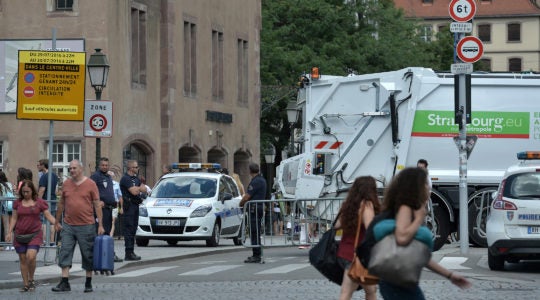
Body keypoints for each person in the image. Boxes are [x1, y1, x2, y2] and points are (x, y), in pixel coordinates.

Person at [377, 167, 471, 299]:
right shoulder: (406, 208)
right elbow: (401, 238)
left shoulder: (412, 208)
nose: (429, 187)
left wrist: (449, 275)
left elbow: (420, 255)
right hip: (397, 282)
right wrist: (419, 219)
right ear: (415, 187)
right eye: (426, 183)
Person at [52, 160, 104, 293]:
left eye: (74, 168)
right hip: (68, 225)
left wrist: (100, 225)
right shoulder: (66, 184)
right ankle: (64, 282)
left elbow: (97, 205)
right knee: (65, 252)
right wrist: (57, 222)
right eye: (70, 168)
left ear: (81, 169)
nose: (71, 170)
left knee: (88, 254)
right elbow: (61, 204)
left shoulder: (91, 184)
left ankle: (88, 282)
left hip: (86, 225)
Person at [334, 176, 380, 300]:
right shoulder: (367, 205)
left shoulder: (348, 205)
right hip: (358, 255)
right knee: (347, 292)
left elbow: (337, 225)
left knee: (370, 289)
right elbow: (371, 230)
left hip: (345, 252)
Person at [6, 180, 56, 292]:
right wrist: (9, 232)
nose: (25, 194)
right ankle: (26, 284)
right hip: (20, 234)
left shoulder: (39, 202)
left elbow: (48, 215)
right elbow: (14, 218)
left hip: (35, 234)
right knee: (23, 259)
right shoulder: (17, 203)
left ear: (32, 190)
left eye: (27, 191)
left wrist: (56, 223)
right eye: (23, 192)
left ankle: (31, 278)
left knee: (31, 256)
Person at [90, 157, 123, 263]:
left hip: (109, 208)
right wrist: (97, 201)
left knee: (108, 233)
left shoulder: (108, 176)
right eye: (103, 165)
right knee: (101, 232)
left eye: (106, 165)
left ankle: (107, 254)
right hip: (101, 209)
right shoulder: (95, 176)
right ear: (99, 166)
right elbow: (90, 190)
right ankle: (102, 255)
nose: (104, 167)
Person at [120, 160, 148, 261]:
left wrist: (139, 188)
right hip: (129, 206)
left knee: (133, 229)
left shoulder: (136, 179)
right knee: (129, 229)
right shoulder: (125, 179)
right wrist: (138, 188)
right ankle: (128, 252)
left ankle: (131, 251)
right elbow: (134, 191)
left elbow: (144, 189)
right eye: (136, 167)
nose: (137, 169)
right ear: (131, 168)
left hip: (135, 206)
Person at [239, 163, 267, 263]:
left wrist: (241, 203)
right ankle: (257, 253)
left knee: (254, 232)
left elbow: (247, 196)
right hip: (258, 208)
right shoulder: (262, 180)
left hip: (254, 209)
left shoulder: (255, 181)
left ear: (250, 171)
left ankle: (256, 254)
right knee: (256, 231)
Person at [37, 159, 59, 247]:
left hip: (45, 201)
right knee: (52, 222)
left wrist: (38, 201)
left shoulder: (44, 176)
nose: (38, 166)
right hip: (53, 200)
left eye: (39, 165)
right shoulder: (55, 176)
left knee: (44, 221)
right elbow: (56, 190)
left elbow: (42, 190)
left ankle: (44, 241)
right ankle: (52, 241)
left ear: (43, 165)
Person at [1, 171, 15, 250]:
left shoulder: (0, 185)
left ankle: (7, 244)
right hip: (11, 205)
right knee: (11, 226)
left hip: (4, 206)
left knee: (6, 226)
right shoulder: (9, 184)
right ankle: (12, 244)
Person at [108, 170, 123, 240]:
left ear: (113, 177)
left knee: (113, 221)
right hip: (106, 205)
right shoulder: (104, 184)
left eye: (111, 176)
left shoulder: (116, 184)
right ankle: (107, 234)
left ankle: (110, 236)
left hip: (115, 205)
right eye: (109, 176)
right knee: (107, 220)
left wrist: (121, 207)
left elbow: (120, 196)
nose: (110, 177)